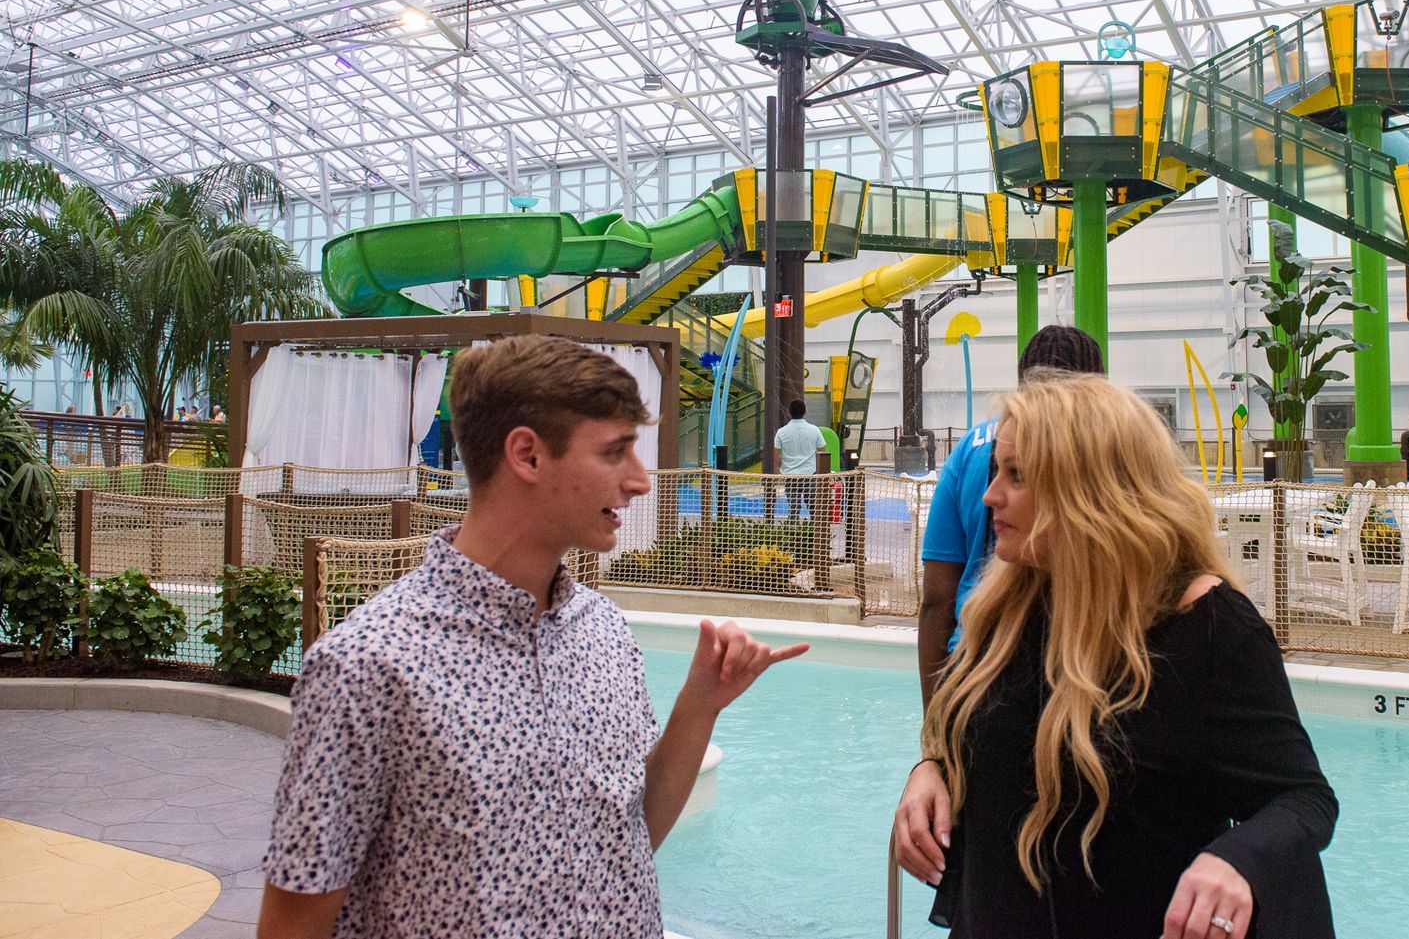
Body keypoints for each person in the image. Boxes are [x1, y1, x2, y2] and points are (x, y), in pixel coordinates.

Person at [258, 335, 807, 938]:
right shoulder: (367, 666)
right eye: (615, 451)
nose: (640, 481)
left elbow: (628, 836)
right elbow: (294, 922)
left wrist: (699, 705)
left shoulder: (603, 630)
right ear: (528, 455)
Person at [895, 375, 1338, 939]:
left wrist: (1237, 860)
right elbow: (973, 742)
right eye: (995, 472)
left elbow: (1302, 798)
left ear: (1087, 490)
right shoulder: (1005, 610)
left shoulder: (1209, 629)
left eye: (1017, 475)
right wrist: (933, 768)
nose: (990, 496)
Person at [918, 324, 1103, 706]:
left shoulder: (970, 448)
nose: (993, 495)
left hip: (973, 664)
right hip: (1076, 668)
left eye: (1017, 474)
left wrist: (934, 721)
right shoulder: (1102, 453)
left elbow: (937, 596)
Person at [773, 398, 827, 521]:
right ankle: (815, 530)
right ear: (805, 412)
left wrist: (782, 465)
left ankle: (792, 530)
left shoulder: (781, 432)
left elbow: (775, 454)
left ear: (789, 412)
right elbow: (823, 452)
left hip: (790, 475)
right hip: (810, 474)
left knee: (793, 507)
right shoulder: (814, 430)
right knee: (813, 506)